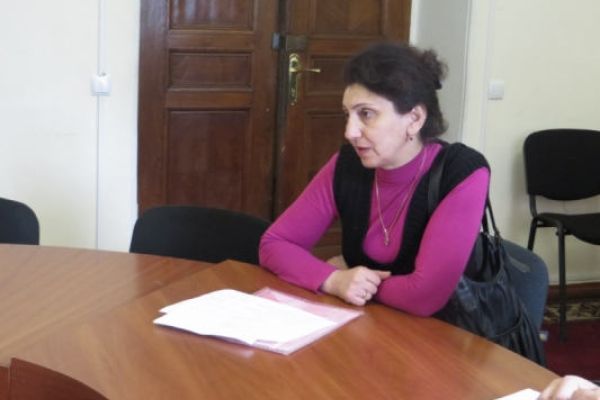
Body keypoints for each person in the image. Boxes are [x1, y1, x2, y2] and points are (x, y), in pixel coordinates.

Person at [259, 42, 490, 315]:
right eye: (347, 115)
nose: (350, 132)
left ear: (415, 119)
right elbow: (274, 244)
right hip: (371, 323)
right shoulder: (349, 164)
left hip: (447, 332)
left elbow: (425, 297)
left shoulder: (462, 172)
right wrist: (334, 279)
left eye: (366, 114)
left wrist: (356, 283)